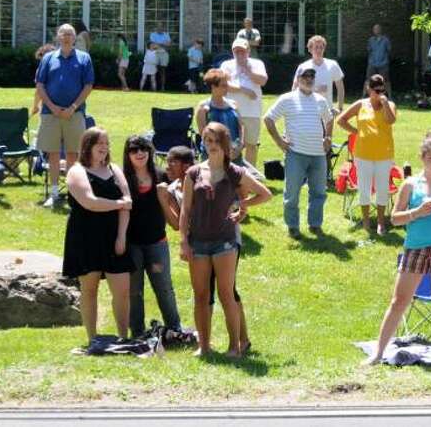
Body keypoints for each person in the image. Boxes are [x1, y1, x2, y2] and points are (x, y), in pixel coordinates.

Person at [364, 133, 431, 365]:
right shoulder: (411, 184)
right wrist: (416, 213)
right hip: (415, 248)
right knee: (399, 301)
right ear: (422, 158)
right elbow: (395, 218)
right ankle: (378, 353)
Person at [180, 123, 272, 357]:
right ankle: (204, 346)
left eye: (216, 141)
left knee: (226, 294)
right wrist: (183, 241)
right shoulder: (193, 173)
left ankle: (234, 347)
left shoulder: (235, 172)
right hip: (198, 241)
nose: (211, 145)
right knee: (201, 295)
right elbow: (185, 210)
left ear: (224, 143)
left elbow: (265, 194)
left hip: (225, 241)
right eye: (207, 140)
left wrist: (242, 205)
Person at [62, 127, 133, 343]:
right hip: (85, 236)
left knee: (122, 291)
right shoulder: (76, 171)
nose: (104, 147)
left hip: (114, 235)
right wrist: (118, 204)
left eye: (106, 143)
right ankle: (93, 338)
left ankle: (123, 337)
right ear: (88, 146)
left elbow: (128, 203)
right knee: (89, 289)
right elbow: (90, 202)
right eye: (99, 143)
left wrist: (121, 236)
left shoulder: (115, 169)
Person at [120, 135, 181, 337]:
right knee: (134, 291)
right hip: (131, 244)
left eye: (143, 148)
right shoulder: (121, 179)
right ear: (127, 154)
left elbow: (176, 214)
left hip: (157, 242)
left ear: (150, 151)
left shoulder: (162, 176)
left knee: (164, 288)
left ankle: (175, 329)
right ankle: (137, 332)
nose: (139, 153)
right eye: (134, 149)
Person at [264, 67, 334, 238]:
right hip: (296, 153)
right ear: (297, 78)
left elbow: (329, 119)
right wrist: (279, 142)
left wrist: (328, 137)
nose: (309, 79)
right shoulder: (287, 99)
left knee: (319, 193)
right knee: (292, 193)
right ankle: (293, 226)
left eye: (312, 76)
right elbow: (268, 119)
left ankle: (315, 225)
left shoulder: (320, 100)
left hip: (319, 155)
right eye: (305, 76)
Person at [35, 24, 94, 209]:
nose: (67, 37)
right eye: (63, 34)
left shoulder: (84, 58)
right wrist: (52, 107)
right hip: (50, 114)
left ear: (75, 38)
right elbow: (40, 84)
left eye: (70, 34)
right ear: (58, 37)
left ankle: (72, 194)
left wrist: (73, 107)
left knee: (72, 154)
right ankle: (54, 193)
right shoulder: (48, 58)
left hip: (74, 113)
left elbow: (88, 85)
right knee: (53, 153)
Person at [335, 74, 396, 235]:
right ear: (369, 89)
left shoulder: (390, 105)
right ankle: (366, 221)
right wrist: (356, 131)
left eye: (382, 90)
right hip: (363, 154)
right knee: (364, 188)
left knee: (382, 188)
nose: (379, 93)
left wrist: (384, 103)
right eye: (376, 90)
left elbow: (390, 121)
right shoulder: (360, 104)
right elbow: (341, 120)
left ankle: (381, 223)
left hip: (384, 154)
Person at [220, 38, 268, 167]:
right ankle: (230, 171)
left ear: (248, 51)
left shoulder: (257, 64)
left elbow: (263, 81)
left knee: (251, 144)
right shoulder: (226, 65)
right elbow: (223, 85)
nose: (240, 54)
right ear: (233, 52)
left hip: (252, 112)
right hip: (231, 111)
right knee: (230, 144)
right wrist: (244, 90)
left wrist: (247, 70)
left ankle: (250, 172)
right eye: (237, 51)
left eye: (242, 51)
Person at [293, 35, 345, 112]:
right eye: (316, 47)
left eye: (321, 47)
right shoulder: (303, 67)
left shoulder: (333, 65)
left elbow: (340, 87)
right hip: (307, 110)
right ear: (310, 49)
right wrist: (315, 89)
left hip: (327, 111)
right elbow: (295, 89)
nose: (319, 50)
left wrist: (340, 108)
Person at [195, 69, 242, 149]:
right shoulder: (203, 107)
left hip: (234, 149)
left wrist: (239, 145)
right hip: (212, 151)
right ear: (213, 87)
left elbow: (241, 127)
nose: (227, 88)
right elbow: (203, 132)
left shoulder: (233, 104)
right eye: (223, 86)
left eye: (227, 85)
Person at [366, 24, 392, 91]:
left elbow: (389, 50)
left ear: (380, 30)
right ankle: (365, 95)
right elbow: (369, 50)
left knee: (385, 80)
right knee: (368, 80)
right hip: (372, 63)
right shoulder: (371, 40)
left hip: (383, 64)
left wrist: (385, 59)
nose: (375, 30)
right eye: (374, 29)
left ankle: (389, 95)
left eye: (377, 29)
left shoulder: (385, 40)